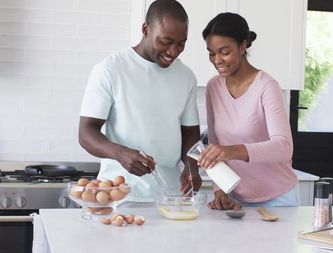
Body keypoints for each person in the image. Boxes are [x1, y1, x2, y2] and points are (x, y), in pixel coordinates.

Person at [78, 0, 201, 202]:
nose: (173, 51)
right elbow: (86, 133)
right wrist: (120, 153)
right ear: (145, 29)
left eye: (181, 43)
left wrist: (191, 168)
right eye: (165, 41)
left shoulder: (186, 76)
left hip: (171, 197)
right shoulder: (110, 70)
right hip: (119, 195)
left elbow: (190, 132)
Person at [198, 12, 298, 210]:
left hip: (278, 199)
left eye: (224, 51)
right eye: (211, 53)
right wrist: (220, 189)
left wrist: (231, 151)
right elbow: (215, 145)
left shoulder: (266, 87)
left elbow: (284, 147)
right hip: (236, 199)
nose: (217, 60)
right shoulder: (213, 88)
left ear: (242, 46)